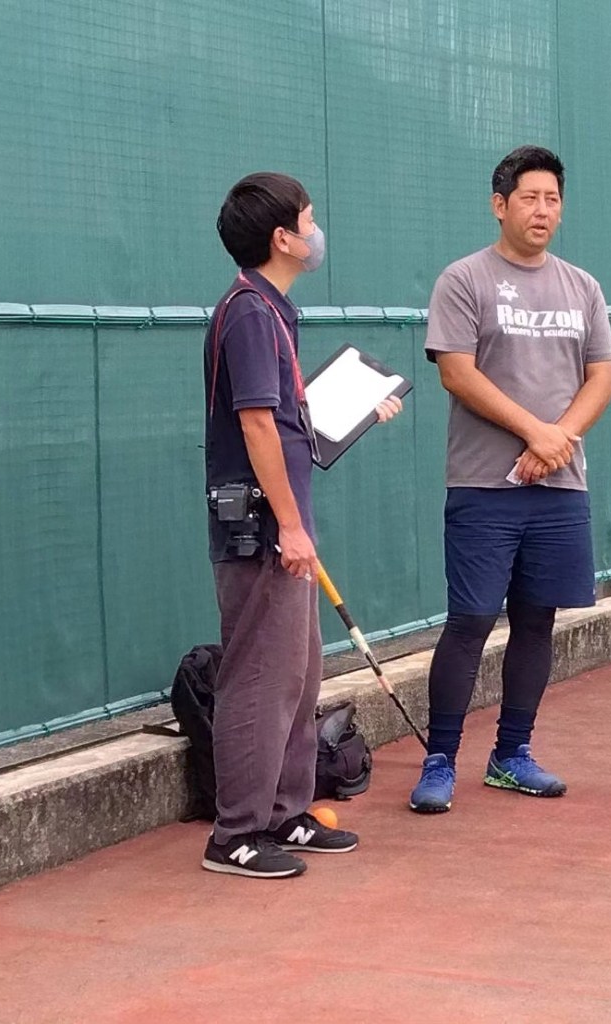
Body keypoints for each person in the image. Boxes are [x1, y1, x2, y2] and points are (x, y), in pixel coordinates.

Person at [409, 146, 611, 813]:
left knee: (537, 620)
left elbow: (602, 377)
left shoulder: (582, 287)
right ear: (499, 205)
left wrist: (558, 442)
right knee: (471, 619)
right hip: (483, 486)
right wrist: (536, 431)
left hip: (559, 486)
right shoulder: (464, 279)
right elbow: (456, 372)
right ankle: (440, 760)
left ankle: (511, 754)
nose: (542, 210)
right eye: (529, 198)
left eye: (552, 199)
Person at [202, 172, 401, 877]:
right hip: (263, 533)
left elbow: (289, 423)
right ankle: (235, 834)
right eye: (309, 221)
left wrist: (354, 413)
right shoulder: (249, 313)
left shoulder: (272, 310)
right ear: (283, 238)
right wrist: (288, 526)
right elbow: (257, 424)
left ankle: (286, 813)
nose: (317, 233)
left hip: (286, 529)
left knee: (299, 673)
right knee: (260, 678)